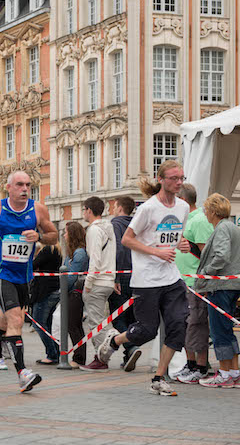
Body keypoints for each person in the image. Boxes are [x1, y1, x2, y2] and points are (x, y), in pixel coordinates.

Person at [98, 160, 191, 396]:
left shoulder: (182, 207)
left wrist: (181, 244)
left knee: (178, 325)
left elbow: (171, 236)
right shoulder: (148, 208)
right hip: (147, 279)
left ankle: (159, 377)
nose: (179, 182)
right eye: (173, 178)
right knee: (146, 330)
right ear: (161, 179)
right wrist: (157, 252)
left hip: (171, 278)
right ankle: (114, 341)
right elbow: (127, 240)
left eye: (181, 178)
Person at [0, 170, 58, 392]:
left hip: (23, 274)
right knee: (16, 320)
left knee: (2, 321)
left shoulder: (37, 209)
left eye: (28, 185)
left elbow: (54, 235)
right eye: (20, 185)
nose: (25, 189)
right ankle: (22, 373)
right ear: (8, 187)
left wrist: (40, 237)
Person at [194, 193, 240, 388]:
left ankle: (225, 373)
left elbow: (221, 256)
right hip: (231, 286)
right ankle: (234, 372)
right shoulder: (233, 227)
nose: (205, 214)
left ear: (213, 211)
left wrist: (205, 272)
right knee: (227, 329)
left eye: (206, 210)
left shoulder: (221, 229)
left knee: (219, 330)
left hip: (220, 286)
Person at [172, 184, 214, 383]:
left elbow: (207, 254)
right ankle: (190, 364)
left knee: (196, 324)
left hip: (194, 282)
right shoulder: (183, 220)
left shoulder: (199, 220)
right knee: (184, 324)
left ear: (182, 199)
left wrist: (204, 282)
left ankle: (201, 366)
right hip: (181, 281)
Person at [79, 196, 117, 372]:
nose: (83, 213)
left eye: (84, 210)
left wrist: (88, 282)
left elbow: (95, 258)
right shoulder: (109, 228)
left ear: (89, 210)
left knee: (96, 323)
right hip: (108, 280)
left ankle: (102, 356)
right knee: (99, 319)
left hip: (98, 280)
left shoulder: (94, 230)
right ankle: (102, 355)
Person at [109, 196, 140, 370]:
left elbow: (118, 250)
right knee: (131, 317)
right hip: (137, 275)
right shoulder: (136, 224)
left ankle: (130, 346)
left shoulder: (116, 224)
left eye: (114, 206)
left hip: (122, 276)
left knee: (117, 316)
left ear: (120, 208)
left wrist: (115, 277)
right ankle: (129, 354)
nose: (113, 209)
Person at [30, 241, 62, 364]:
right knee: (48, 324)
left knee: (38, 324)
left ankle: (52, 354)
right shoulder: (57, 251)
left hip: (45, 291)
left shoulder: (47, 249)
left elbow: (33, 265)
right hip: (54, 290)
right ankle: (56, 352)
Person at [62, 222, 89, 368]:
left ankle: (79, 358)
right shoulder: (72, 252)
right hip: (71, 292)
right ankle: (79, 356)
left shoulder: (79, 253)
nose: (64, 235)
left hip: (75, 293)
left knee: (73, 325)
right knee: (74, 325)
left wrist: (61, 287)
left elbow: (71, 276)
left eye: (66, 232)